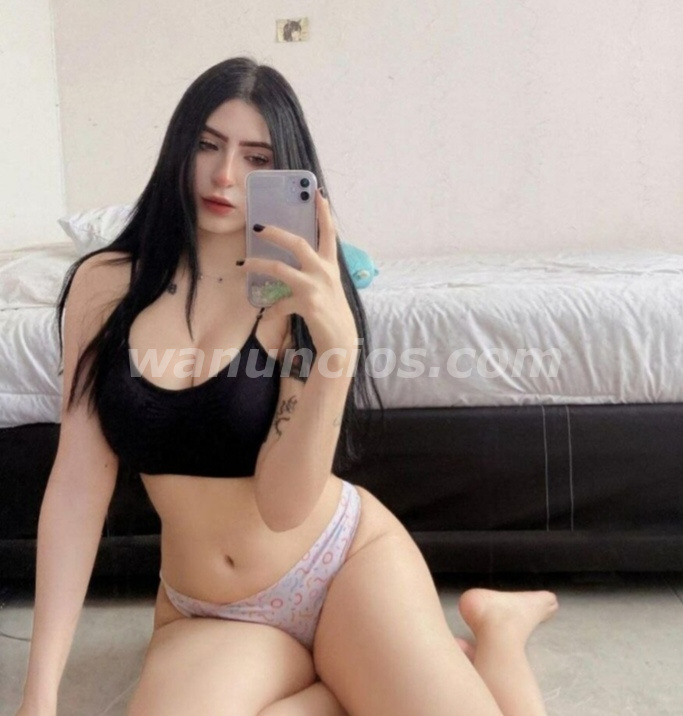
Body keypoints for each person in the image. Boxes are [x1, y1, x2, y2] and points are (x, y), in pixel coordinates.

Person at [16, 57, 558, 716]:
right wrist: (39, 696)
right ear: (178, 148)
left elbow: (283, 504)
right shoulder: (104, 286)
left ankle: (498, 632)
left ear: (285, 173)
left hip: (343, 566)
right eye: (208, 145)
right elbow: (78, 483)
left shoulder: (299, 292)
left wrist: (336, 351)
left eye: (256, 158)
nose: (225, 175)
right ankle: (356, 678)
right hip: (212, 612)